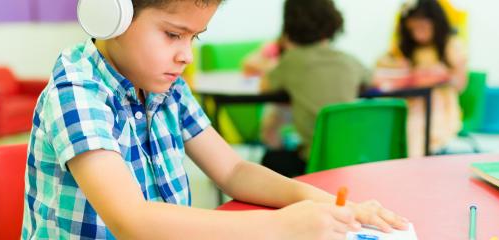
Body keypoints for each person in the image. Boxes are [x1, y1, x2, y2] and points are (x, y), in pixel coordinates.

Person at [22, 0, 408, 239]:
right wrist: (282, 228)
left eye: (195, 38)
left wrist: (324, 204)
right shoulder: (76, 91)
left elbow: (235, 171)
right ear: (109, 14)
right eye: (173, 35)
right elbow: (132, 222)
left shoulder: (166, 86)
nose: (186, 55)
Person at [257, 0, 371, 177]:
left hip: (313, 163)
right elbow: (372, 79)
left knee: (271, 159)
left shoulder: (291, 61)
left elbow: (264, 86)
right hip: (354, 158)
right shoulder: (349, 61)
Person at [375, 0, 468, 156]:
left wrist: (444, 76)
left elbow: (460, 84)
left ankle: (415, 163)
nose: (418, 33)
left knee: (416, 127)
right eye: (414, 29)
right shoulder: (404, 49)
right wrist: (400, 68)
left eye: (423, 28)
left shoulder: (451, 45)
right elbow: (380, 67)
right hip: (409, 103)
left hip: (439, 106)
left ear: (436, 25)